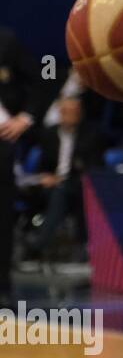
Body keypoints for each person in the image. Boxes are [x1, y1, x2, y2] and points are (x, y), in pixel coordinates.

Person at [0, 26, 58, 305]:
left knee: (2, 212)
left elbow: (46, 76)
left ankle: (2, 287)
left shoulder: (7, 42)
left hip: (1, 138)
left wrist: (26, 117)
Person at [25, 97, 105, 256]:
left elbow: (95, 167)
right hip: (50, 183)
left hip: (77, 185)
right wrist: (46, 177)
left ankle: (39, 244)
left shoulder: (91, 135)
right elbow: (43, 165)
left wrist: (73, 172)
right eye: (66, 112)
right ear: (60, 113)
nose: (71, 116)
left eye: (75, 112)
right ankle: (28, 234)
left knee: (61, 192)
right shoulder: (49, 134)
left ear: (80, 114)